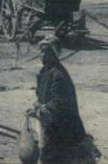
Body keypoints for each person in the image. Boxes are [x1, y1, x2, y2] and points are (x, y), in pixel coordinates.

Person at [32, 35, 92, 164]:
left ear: (54, 54)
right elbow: (41, 96)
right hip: (53, 127)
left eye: (46, 52)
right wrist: (36, 106)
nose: (42, 55)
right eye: (41, 51)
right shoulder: (44, 72)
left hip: (65, 130)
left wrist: (43, 108)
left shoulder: (59, 75)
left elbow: (58, 104)